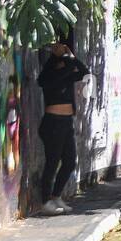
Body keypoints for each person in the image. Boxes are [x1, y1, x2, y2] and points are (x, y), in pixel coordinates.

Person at [36, 41, 89, 214]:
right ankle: (45, 202)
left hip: (66, 122)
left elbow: (84, 72)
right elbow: (47, 79)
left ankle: (56, 196)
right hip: (53, 122)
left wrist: (70, 55)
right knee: (52, 162)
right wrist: (59, 56)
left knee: (70, 161)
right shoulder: (49, 75)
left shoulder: (67, 73)